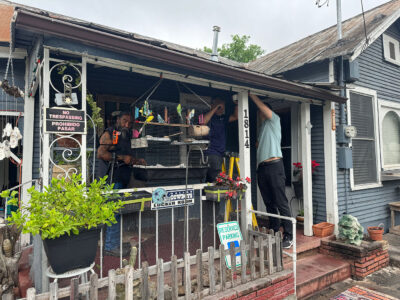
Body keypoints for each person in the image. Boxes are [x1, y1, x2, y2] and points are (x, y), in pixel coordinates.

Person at [97, 111, 145, 256]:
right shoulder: (109, 133)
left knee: (118, 211)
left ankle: (113, 242)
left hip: (123, 178)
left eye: (129, 123)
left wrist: (137, 160)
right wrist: (121, 157)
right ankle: (111, 246)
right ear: (117, 119)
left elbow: (127, 157)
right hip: (111, 178)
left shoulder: (127, 135)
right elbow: (100, 153)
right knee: (114, 213)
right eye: (124, 121)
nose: (126, 125)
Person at [249, 94, 293, 249]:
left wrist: (251, 95)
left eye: (261, 111)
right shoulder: (262, 128)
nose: (259, 114)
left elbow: (263, 109)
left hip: (275, 166)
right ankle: (275, 228)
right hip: (262, 168)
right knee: (268, 201)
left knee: (280, 201)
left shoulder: (274, 120)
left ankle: (288, 234)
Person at [203, 97, 238, 224]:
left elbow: (237, 116)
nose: (221, 109)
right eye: (219, 106)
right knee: (214, 184)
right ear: (213, 105)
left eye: (222, 107)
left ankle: (212, 216)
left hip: (219, 155)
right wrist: (214, 109)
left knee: (213, 185)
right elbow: (202, 122)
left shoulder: (222, 119)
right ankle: (211, 217)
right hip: (210, 153)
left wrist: (237, 103)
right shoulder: (209, 117)